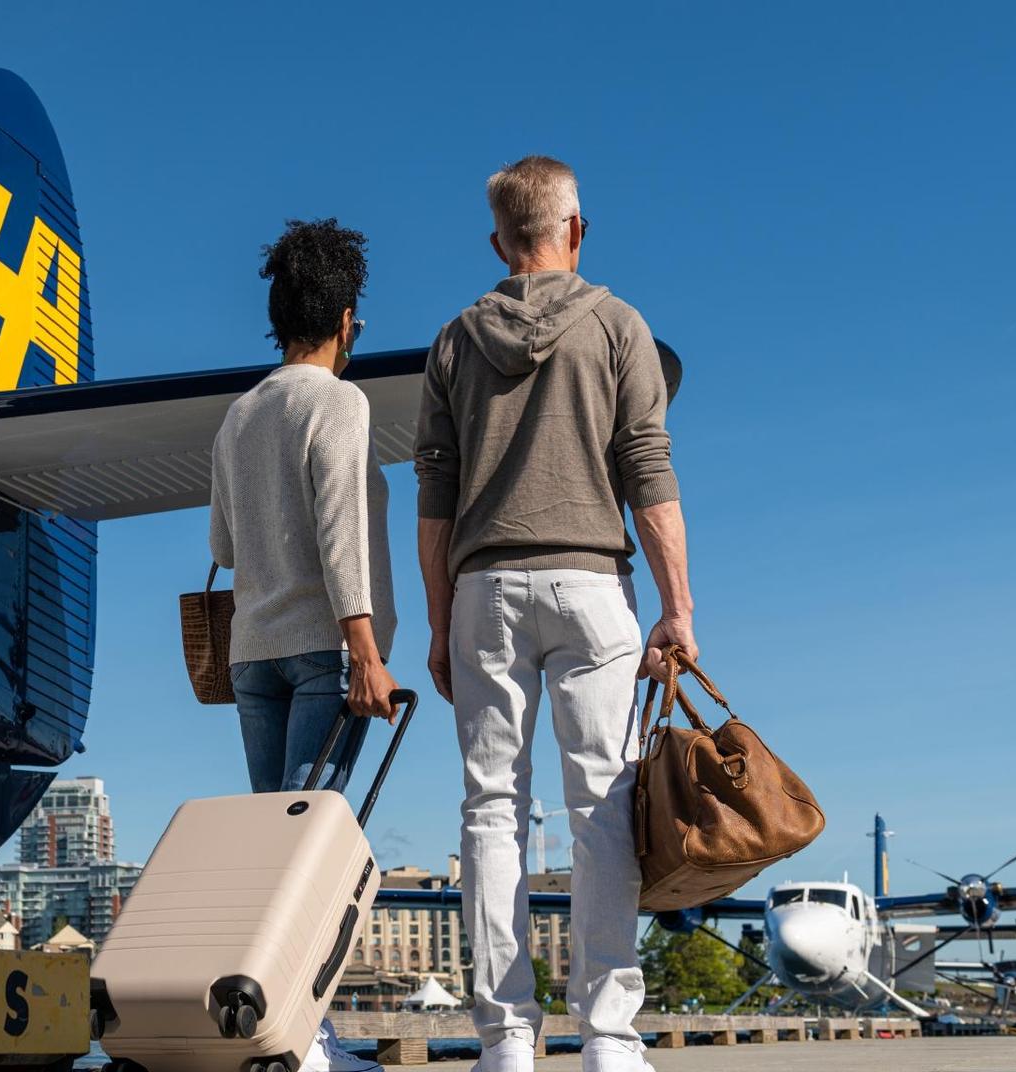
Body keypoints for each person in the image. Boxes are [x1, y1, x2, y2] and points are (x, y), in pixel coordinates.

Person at [415, 157, 696, 1072]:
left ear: (499, 242)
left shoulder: (454, 341)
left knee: (490, 812)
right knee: (601, 807)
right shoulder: (619, 326)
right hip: (590, 586)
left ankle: (504, 1040)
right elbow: (648, 472)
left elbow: (434, 502)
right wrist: (678, 607)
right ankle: (609, 1037)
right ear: (576, 229)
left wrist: (436, 620)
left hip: (484, 591)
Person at [208, 218, 399, 1072]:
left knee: (270, 854)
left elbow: (222, 546)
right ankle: (303, 1036)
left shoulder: (238, 417)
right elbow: (342, 536)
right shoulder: (340, 403)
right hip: (328, 648)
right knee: (306, 857)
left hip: (254, 652)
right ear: (348, 319)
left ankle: (271, 1025)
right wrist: (364, 650)